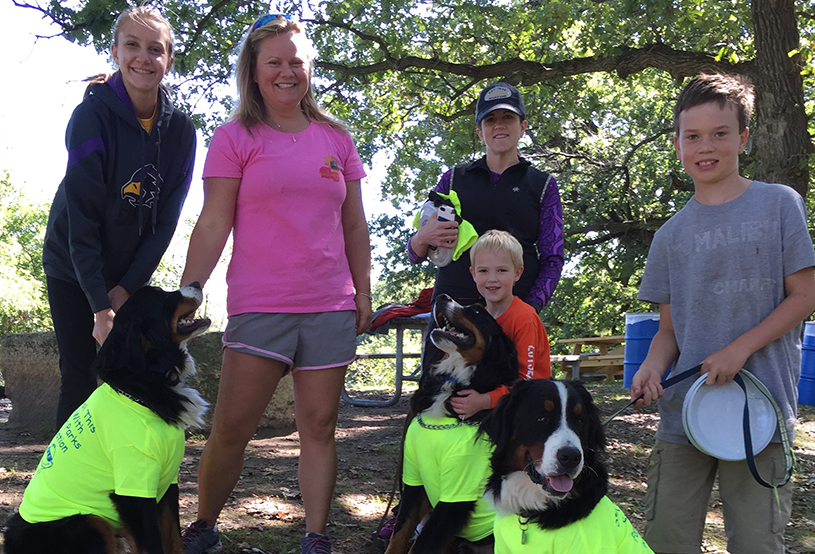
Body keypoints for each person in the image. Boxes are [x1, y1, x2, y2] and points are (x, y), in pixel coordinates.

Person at [177, 14, 372, 554]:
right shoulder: (234, 137)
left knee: (319, 424)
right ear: (254, 72)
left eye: (296, 61)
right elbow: (214, 220)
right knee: (233, 425)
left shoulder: (337, 138)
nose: (287, 72)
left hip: (330, 304)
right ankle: (204, 526)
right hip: (261, 305)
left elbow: (354, 224)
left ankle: (315, 535)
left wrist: (364, 292)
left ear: (309, 68)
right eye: (275, 63)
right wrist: (188, 292)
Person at [630, 73, 815, 554]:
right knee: (666, 540)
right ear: (677, 144)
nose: (705, 146)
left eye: (719, 133)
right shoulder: (669, 236)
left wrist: (738, 350)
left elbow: (805, 295)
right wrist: (652, 368)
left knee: (757, 543)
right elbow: (668, 332)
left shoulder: (779, 205)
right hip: (682, 417)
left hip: (761, 413)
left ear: (743, 139)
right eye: (692, 136)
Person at [42, 6, 196, 429]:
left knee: (128, 377)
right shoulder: (91, 117)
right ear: (115, 51)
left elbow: (164, 223)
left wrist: (127, 288)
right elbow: (82, 217)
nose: (143, 58)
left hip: (129, 272)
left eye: (155, 49)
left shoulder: (182, 132)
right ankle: (65, 487)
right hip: (72, 265)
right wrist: (100, 306)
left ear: (168, 58)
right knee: (81, 374)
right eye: (132, 46)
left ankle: (120, 473)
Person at [407, 81, 563, 371]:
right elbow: (415, 253)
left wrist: (529, 309)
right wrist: (422, 237)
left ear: (523, 126)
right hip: (453, 314)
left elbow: (553, 257)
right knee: (434, 402)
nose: (499, 126)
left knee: (507, 404)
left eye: (508, 118)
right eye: (490, 119)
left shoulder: (543, 186)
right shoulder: (452, 179)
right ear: (480, 131)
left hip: (512, 313)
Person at [450, 230, 552, 420]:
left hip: (532, 405)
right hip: (497, 403)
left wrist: (484, 401)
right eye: (483, 271)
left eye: (501, 270)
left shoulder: (524, 318)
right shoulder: (480, 318)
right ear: (473, 273)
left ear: (518, 273)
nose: (492, 279)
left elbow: (525, 381)